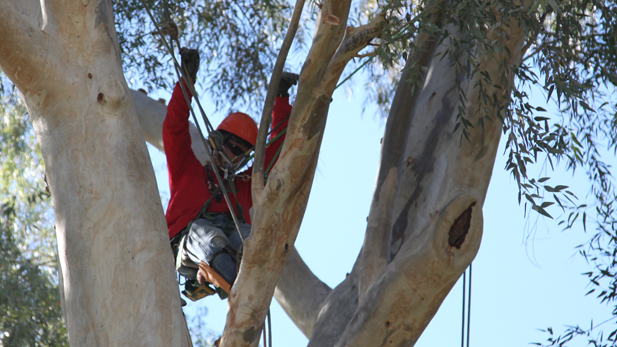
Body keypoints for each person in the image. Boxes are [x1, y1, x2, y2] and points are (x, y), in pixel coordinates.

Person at [163, 48, 298, 300]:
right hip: (189, 242)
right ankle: (238, 289)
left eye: (243, 153)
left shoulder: (244, 186)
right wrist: (186, 83)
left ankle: (247, 292)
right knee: (210, 235)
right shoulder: (188, 170)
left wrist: (281, 97)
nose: (236, 156)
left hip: (230, 242)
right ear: (217, 140)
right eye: (233, 147)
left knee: (250, 237)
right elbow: (174, 127)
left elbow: (274, 156)